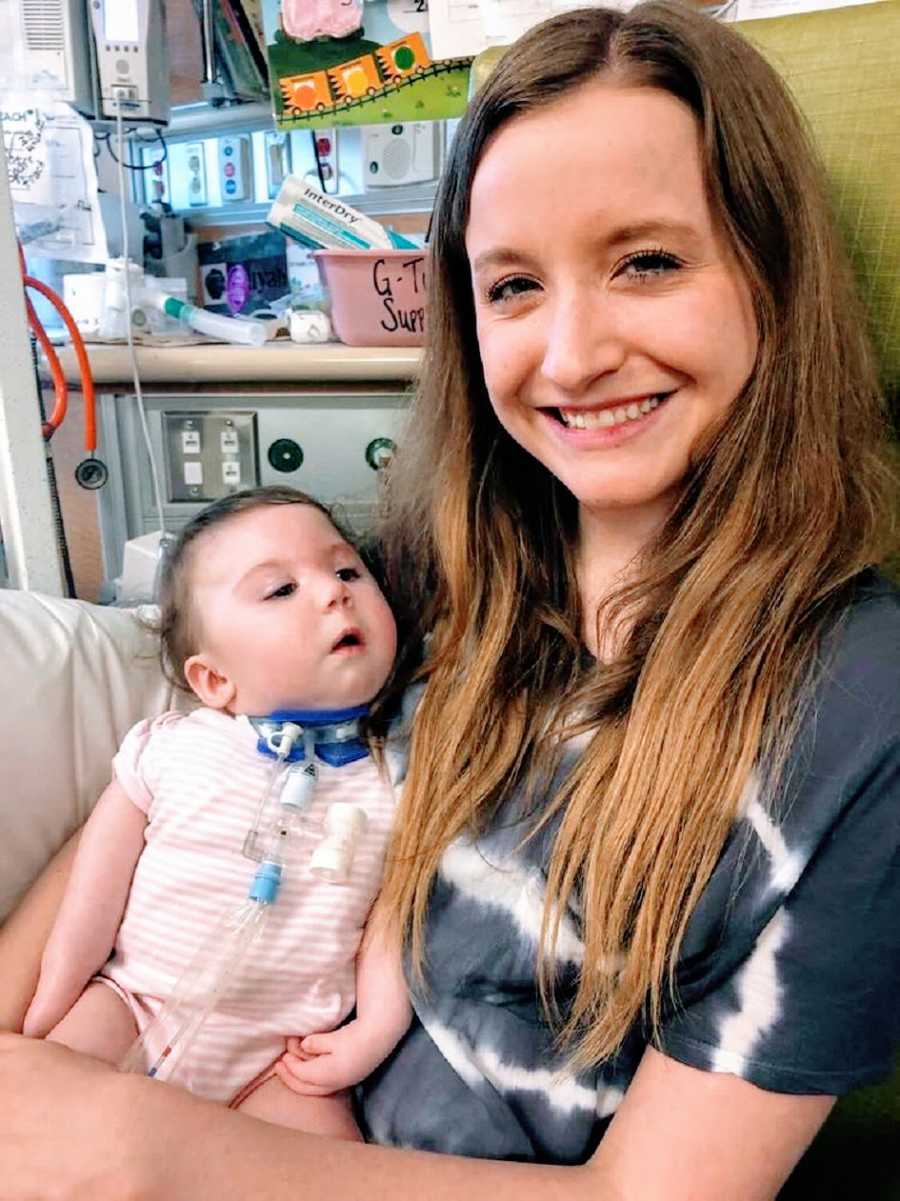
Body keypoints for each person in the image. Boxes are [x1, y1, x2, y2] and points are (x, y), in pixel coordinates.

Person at [1, 3, 897, 1198]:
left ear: (774, 277)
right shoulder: (430, 581)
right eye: (513, 286)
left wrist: (134, 1152)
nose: (571, 356)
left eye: (648, 261)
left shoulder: (857, 722)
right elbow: (182, 760)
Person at [18, 486, 411, 1140]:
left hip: (280, 1056)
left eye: (346, 570)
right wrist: (54, 998)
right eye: (280, 590)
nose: (334, 592)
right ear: (213, 680)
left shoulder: (396, 778)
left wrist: (376, 1025)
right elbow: (95, 886)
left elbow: (394, 916)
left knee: (327, 1163)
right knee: (38, 1113)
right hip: (135, 1004)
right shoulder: (174, 746)